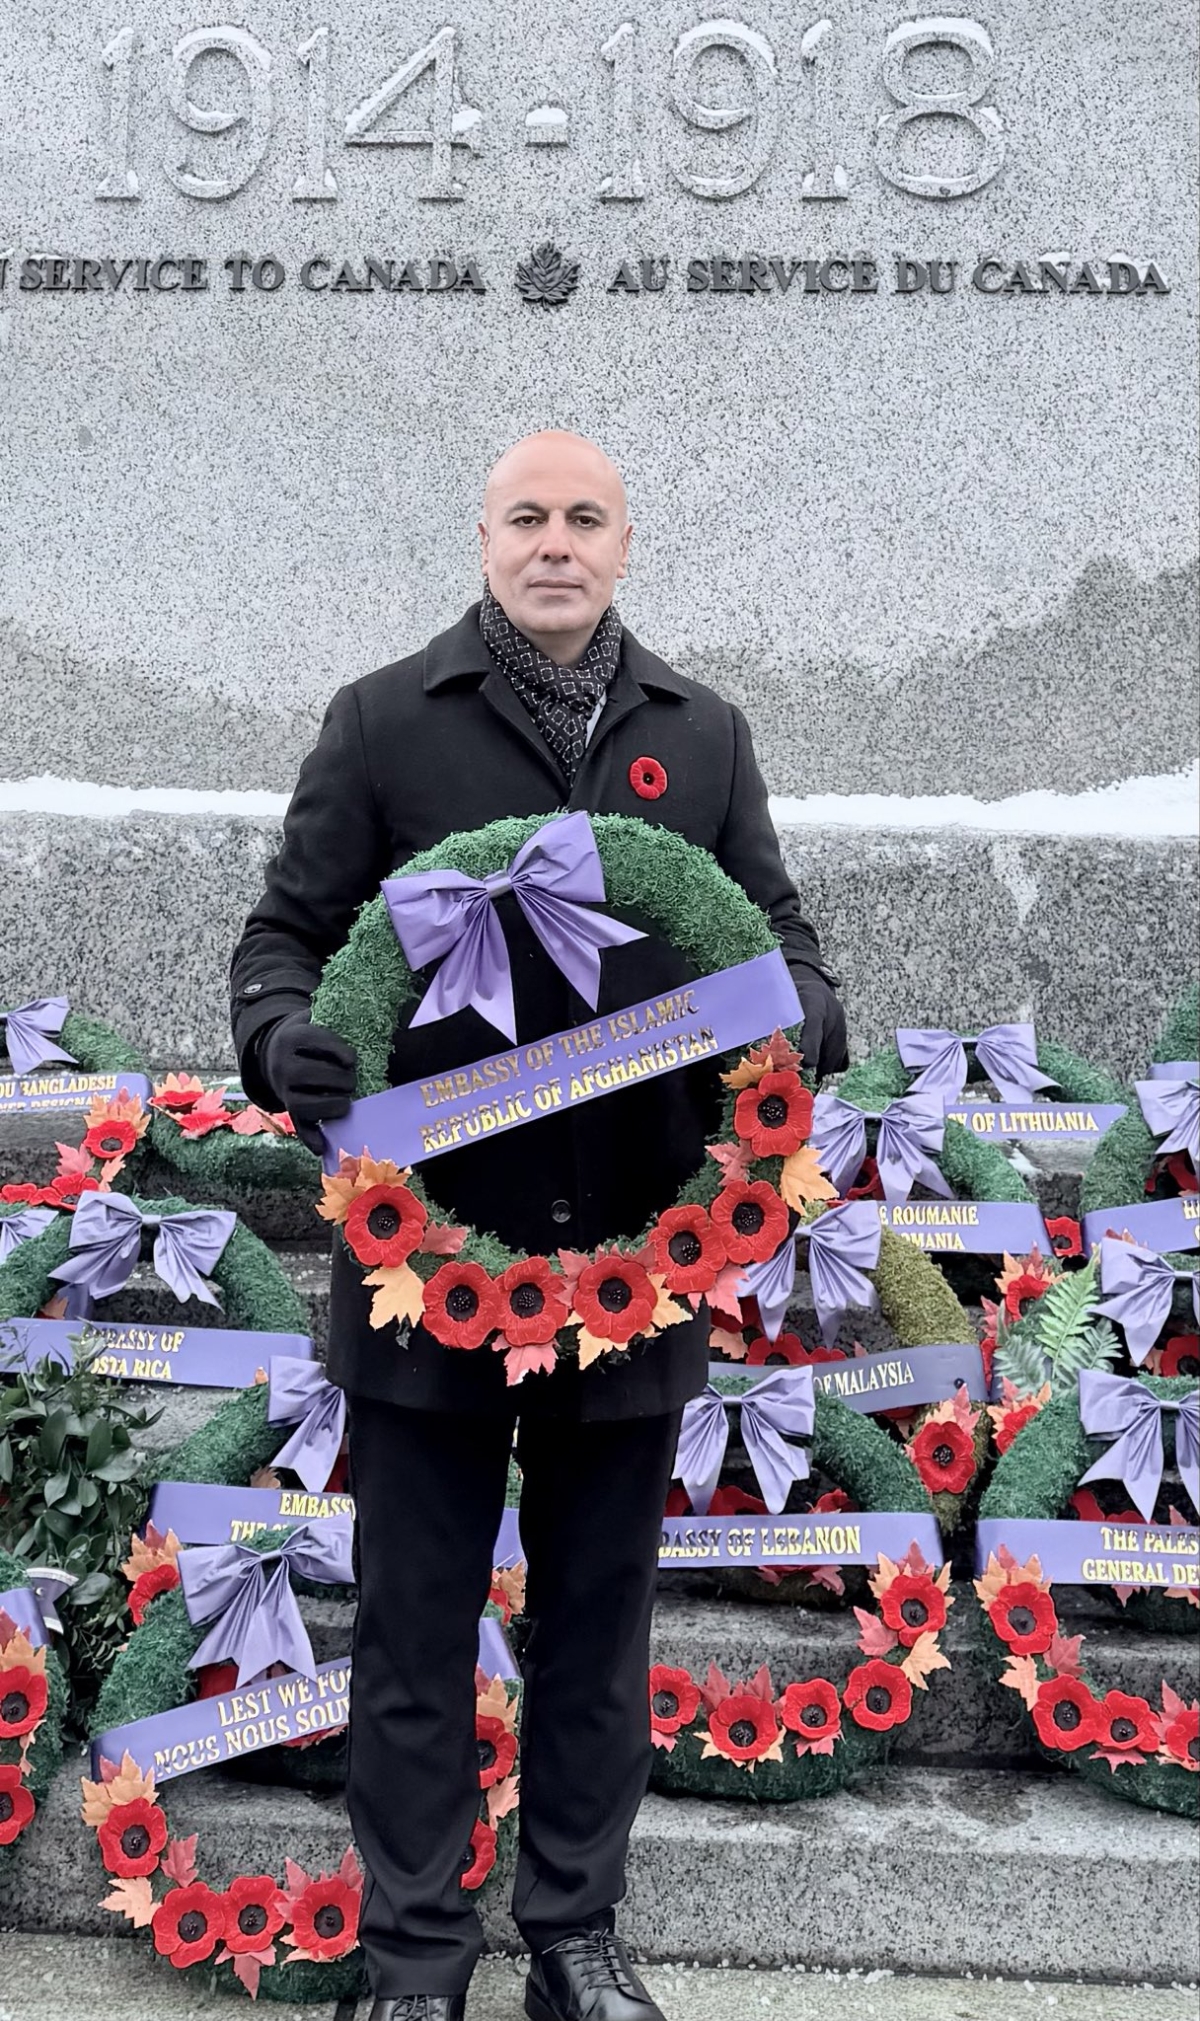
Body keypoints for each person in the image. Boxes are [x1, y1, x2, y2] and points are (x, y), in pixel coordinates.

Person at [229, 431, 847, 2021]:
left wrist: (808, 1012)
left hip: (637, 1258)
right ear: (485, 537)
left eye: (585, 518)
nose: (555, 543)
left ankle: (575, 1938)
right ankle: (417, 1952)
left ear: (626, 543)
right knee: (418, 1630)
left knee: (595, 1628)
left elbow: (774, 931)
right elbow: (287, 941)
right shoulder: (383, 722)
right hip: (428, 1264)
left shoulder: (701, 736)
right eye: (528, 517)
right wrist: (284, 1040)